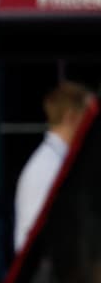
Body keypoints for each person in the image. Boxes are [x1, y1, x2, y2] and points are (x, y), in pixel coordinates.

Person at [14, 81, 95, 254]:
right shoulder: (45, 168)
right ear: (71, 118)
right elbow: (39, 244)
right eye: (89, 118)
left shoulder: (62, 163)